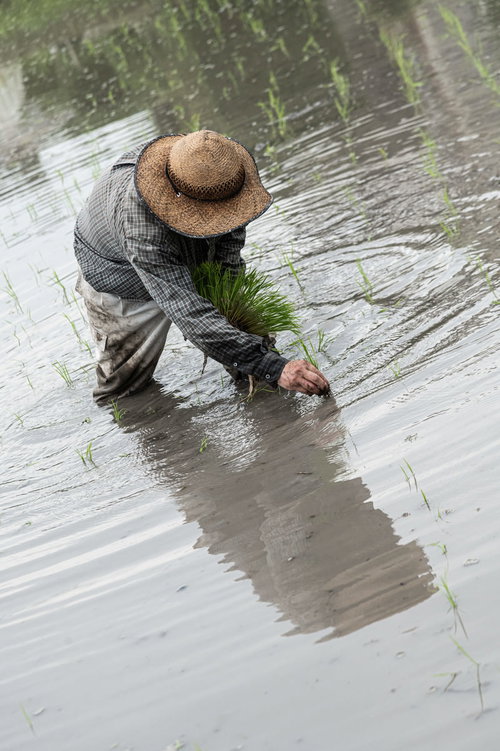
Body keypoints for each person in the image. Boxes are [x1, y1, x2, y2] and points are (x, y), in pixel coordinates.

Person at [74, 129, 330, 403]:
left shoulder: (216, 169)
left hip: (187, 253)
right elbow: (188, 313)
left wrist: (250, 346)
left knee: (252, 354)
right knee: (122, 393)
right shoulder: (140, 224)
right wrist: (276, 368)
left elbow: (229, 257)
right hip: (122, 283)